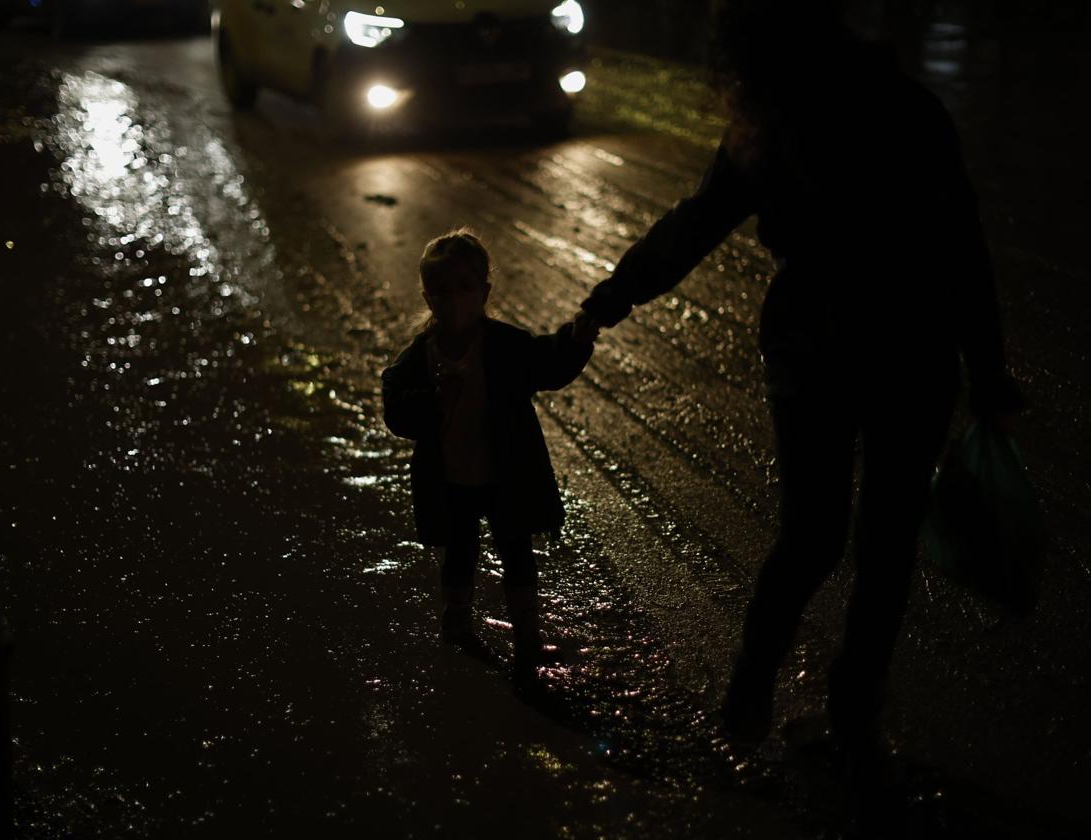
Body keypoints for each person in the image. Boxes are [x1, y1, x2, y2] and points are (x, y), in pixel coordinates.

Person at [577, 0, 1021, 782]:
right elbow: (961, 243)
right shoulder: (908, 107)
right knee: (885, 547)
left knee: (811, 534)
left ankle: (750, 691)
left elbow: (697, 223)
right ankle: (854, 721)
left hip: (813, 349)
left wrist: (612, 299)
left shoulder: (771, 125)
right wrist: (987, 368)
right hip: (912, 348)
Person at [382, 229, 599, 678]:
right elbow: (397, 411)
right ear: (428, 297)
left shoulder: (505, 345)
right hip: (452, 478)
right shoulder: (420, 358)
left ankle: (527, 638)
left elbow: (550, 363)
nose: (454, 299)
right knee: (460, 553)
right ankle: (457, 622)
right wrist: (436, 401)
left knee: (516, 552)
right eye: (442, 290)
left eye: (464, 287)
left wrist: (577, 338)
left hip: (505, 475)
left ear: (484, 290)